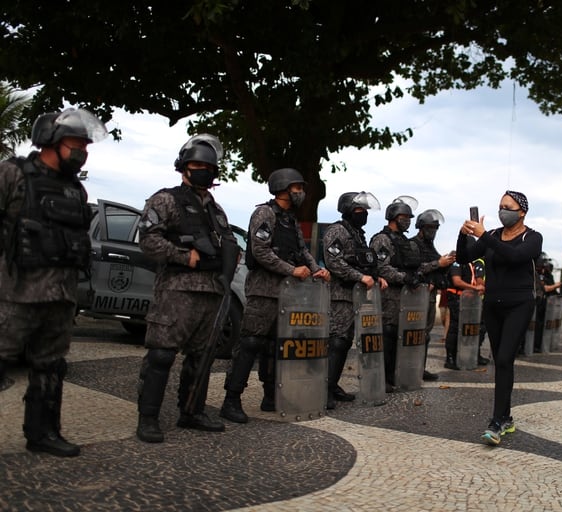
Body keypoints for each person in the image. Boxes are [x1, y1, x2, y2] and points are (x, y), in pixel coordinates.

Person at [0, 108, 107, 456]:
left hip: (60, 297)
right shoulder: (14, 174)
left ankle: (43, 433)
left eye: (85, 148)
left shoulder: (75, 190)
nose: (82, 153)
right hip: (16, 295)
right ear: (52, 142)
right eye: (77, 146)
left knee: (51, 367)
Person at [135, 134, 240, 443]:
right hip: (176, 290)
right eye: (196, 164)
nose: (202, 170)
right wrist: (183, 256)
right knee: (161, 355)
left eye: (208, 166)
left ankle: (191, 411)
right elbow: (148, 239)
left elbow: (225, 244)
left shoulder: (216, 210)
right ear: (183, 167)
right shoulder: (165, 199)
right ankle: (148, 417)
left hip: (212, 292)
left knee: (202, 356)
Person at [219, 168, 329, 423]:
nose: (301, 193)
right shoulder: (264, 213)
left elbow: (302, 251)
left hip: (287, 294)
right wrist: (292, 269)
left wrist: (316, 269)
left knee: (275, 345)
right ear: (284, 188)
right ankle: (231, 399)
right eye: (297, 188)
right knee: (250, 344)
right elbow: (260, 251)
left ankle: (271, 396)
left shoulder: (289, 219)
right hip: (263, 291)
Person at [456, 191, 542, 446]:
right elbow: (464, 257)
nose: (503, 210)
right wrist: (464, 235)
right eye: (500, 206)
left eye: (509, 206)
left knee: (505, 358)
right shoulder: (492, 235)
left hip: (520, 304)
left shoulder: (532, 237)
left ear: (522, 212)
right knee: (501, 361)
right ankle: (505, 417)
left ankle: (496, 422)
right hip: (493, 304)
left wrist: (483, 236)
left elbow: (515, 256)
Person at [322, 191, 387, 409]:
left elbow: (364, 263)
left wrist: (377, 278)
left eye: (365, 211)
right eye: (360, 210)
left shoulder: (358, 234)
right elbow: (333, 261)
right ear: (348, 210)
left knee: (345, 341)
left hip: (356, 297)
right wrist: (360, 277)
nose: (364, 214)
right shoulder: (338, 231)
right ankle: (325, 389)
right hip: (340, 295)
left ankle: (333, 385)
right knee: (337, 341)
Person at [370, 196, 424, 392]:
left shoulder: (405, 241)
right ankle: (381, 378)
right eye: (403, 216)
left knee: (398, 337)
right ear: (392, 216)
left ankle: (393, 375)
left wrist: (417, 276)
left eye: (409, 217)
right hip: (388, 296)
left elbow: (413, 266)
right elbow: (382, 268)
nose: (407, 220)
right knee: (387, 335)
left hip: (405, 297)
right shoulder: (382, 239)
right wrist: (405, 278)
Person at [411, 209, 455, 381]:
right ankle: (409, 368)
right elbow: (414, 269)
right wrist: (438, 263)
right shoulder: (413, 245)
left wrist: (446, 262)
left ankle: (419, 368)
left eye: (435, 228)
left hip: (428, 297)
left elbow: (435, 268)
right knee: (413, 334)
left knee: (425, 335)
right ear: (421, 227)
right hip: (414, 297)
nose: (433, 231)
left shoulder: (430, 246)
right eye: (430, 227)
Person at [443, 261, 485, 370]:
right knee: (454, 328)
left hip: (467, 300)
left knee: (465, 329)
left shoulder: (472, 263)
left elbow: (478, 279)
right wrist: (474, 288)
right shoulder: (457, 263)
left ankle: (461, 356)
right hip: (456, 298)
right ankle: (450, 358)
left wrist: (478, 287)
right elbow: (457, 281)